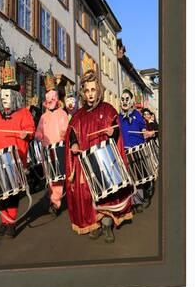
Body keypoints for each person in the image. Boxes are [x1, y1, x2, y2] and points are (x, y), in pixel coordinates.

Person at [65, 70, 133, 243]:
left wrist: (113, 131)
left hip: (105, 160)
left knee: (107, 194)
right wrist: (73, 144)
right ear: (82, 92)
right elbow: (72, 132)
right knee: (89, 193)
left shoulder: (108, 109)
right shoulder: (78, 115)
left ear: (98, 90)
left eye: (93, 90)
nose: (90, 94)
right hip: (86, 161)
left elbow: (116, 129)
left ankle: (107, 225)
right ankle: (95, 224)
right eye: (87, 91)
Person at [0, 64, 35, 238]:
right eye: (2, 96)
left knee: (12, 194)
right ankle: (5, 220)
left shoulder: (24, 113)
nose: (3, 99)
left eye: (7, 96)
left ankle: (10, 222)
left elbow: (31, 131)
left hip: (15, 159)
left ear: (14, 97)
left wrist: (26, 133)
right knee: (0, 192)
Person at [35, 85, 68, 216]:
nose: (49, 104)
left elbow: (66, 129)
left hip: (58, 149)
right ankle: (52, 198)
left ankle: (55, 202)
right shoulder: (43, 117)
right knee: (50, 177)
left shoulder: (63, 113)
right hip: (47, 151)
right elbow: (39, 130)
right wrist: (38, 136)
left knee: (58, 177)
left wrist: (62, 136)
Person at [119, 89, 151, 213]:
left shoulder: (137, 114)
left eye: (127, 99)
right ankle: (130, 203)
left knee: (138, 177)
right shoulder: (118, 117)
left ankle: (138, 201)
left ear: (132, 101)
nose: (124, 101)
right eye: (122, 99)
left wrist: (144, 132)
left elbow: (143, 126)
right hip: (125, 150)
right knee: (129, 178)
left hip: (137, 149)